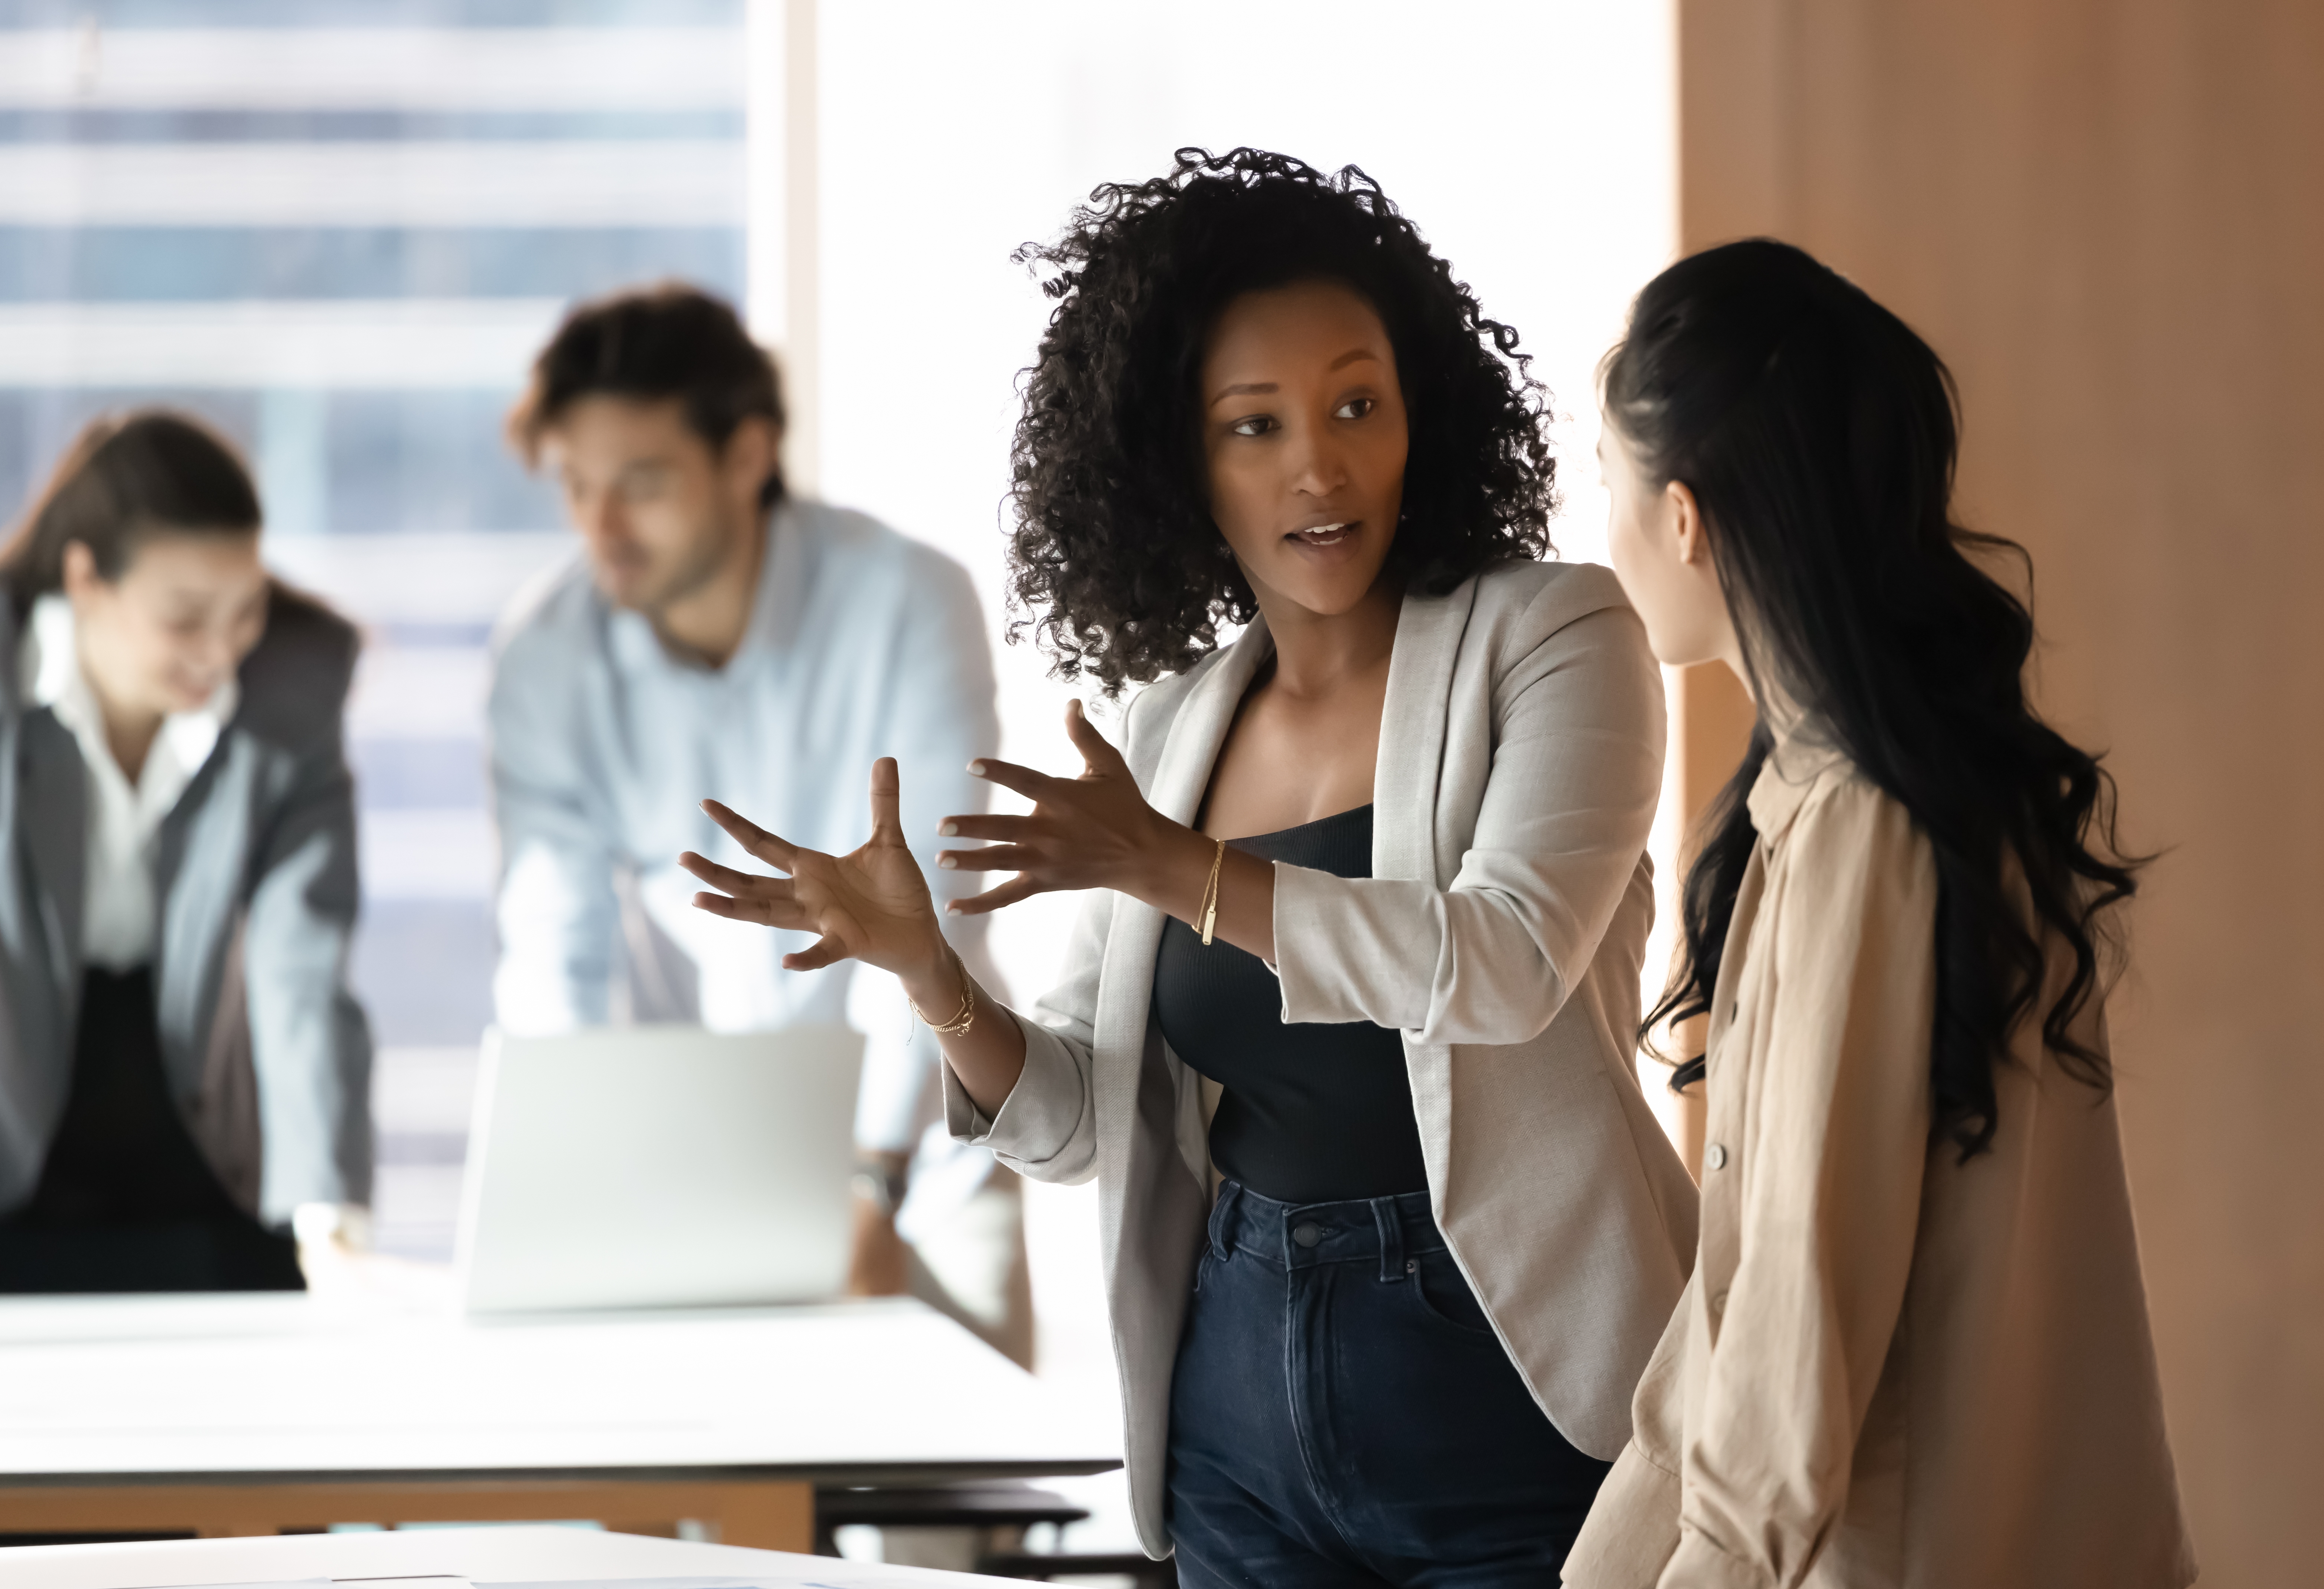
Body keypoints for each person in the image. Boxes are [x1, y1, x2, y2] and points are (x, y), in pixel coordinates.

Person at [681, 149, 1699, 1586]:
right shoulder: (1168, 735)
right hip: (1234, 1397)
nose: (1317, 466)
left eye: (1357, 404)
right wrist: (929, 973)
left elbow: (1509, 961)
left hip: (1504, 1380)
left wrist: (1185, 873)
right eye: (1253, 425)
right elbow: (1077, 1120)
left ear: (1424, 413)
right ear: (1178, 464)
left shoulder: (1547, 636)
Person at [1561, 239, 2194, 1588]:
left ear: (1685, 521)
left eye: (1606, 485)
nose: (1600, 533)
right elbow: (1730, 1343)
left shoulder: (1861, 829)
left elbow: (1786, 1365)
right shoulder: (1881, 792)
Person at [488, 283, 1026, 1358]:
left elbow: (938, 902)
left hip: (924, 1136)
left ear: (747, 455)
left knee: (957, 1507)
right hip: (693, 1167)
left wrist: (877, 1173)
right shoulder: (546, 657)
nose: (602, 528)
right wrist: (569, 1196)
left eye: (639, 484)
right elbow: (557, 950)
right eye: (578, 487)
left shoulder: (907, 598)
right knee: (693, 1510)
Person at [0, 411, 374, 1294]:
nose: (222, 652)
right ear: (86, 580)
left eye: (246, 611)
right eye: (185, 618)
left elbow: (303, 968)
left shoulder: (288, 704)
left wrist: (327, 1211)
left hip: (201, 1124)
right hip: (0, 1120)